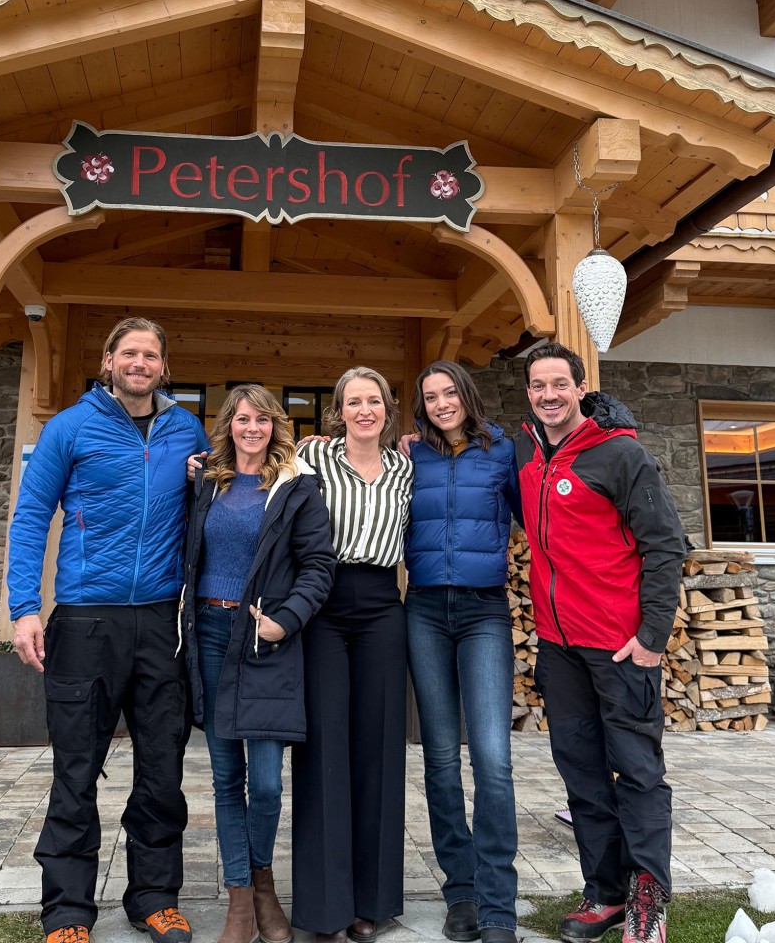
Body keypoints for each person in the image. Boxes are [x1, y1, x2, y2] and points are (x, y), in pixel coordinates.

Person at [8, 316, 208, 943]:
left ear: (164, 367)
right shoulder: (69, 427)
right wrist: (23, 608)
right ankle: (67, 910)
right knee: (76, 767)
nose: (140, 363)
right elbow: (30, 517)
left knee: (161, 767)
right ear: (109, 360)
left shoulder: (187, 430)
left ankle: (154, 896)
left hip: (158, 622)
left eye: (151, 354)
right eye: (130, 353)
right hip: (85, 621)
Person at [515, 342, 686, 943]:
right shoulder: (532, 462)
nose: (549, 396)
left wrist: (651, 638)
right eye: (538, 386)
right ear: (529, 394)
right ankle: (605, 893)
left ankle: (648, 903)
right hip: (560, 647)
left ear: (580, 388)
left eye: (559, 384)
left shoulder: (621, 456)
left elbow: (665, 546)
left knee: (637, 774)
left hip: (619, 648)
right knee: (582, 773)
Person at [182, 385, 336, 943]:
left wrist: (286, 619)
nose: (252, 428)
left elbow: (319, 564)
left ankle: (265, 881)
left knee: (267, 784)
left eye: (263, 420)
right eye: (243, 419)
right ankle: (241, 899)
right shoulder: (205, 481)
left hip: (265, 639)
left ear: (276, 426)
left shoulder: (297, 486)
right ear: (229, 424)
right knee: (227, 778)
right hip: (211, 635)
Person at [290, 367, 414, 943]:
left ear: (387, 408)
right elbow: (258, 476)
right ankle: (323, 907)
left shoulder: (407, 467)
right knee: (323, 749)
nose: (364, 410)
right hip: (323, 602)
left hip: (383, 606)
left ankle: (372, 900)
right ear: (338, 410)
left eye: (374, 401)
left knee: (379, 748)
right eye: (353, 401)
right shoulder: (312, 461)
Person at [403, 361, 522, 943]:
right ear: (421, 406)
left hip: (484, 611)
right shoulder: (410, 456)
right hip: (423, 609)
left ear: (467, 395)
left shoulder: (504, 451)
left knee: (493, 760)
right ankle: (462, 893)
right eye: (431, 397)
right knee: (442, 760)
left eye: (450, 392)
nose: (442, 403)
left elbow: (545, 514)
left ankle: (499, 904)